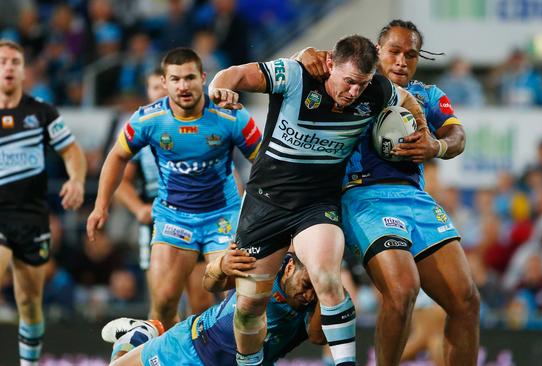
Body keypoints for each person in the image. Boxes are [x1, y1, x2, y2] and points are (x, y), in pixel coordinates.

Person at [208, 34, 434, 366]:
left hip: (317, 205)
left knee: (328, 279)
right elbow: (234, 74)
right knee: (248, 307)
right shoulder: (296, 75)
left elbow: (409, 102)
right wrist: (219, 89)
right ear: (330, 65)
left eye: (363, 84)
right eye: (349, 82)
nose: (355, 92)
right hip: (266, 202)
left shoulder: (377, 91)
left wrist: (422, 130)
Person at [297, 20, 479, 366]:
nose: (401, 61)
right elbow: (305, 69)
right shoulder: (353, 85)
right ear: (377, 52)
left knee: (467, 300)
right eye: (394, 51)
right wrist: (303, 54)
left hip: (416, 200)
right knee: (403, 289)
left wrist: (436, 146)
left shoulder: (428, 95)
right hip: (363, 197)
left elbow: (458, 137)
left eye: (410, 55)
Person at [86, 48, 262, 329]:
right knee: (164, 304)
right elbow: (117, 157)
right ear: (165, 83)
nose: (183, 86)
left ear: (203, 78)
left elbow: (266, 164)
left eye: (190, 77)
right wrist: (100, 205)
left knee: (232, 297)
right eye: (176, 79)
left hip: (223, 216)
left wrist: (270, 210)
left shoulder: (231, 116)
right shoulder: (148, 119)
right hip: (174, 218)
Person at [0, 40, 87, 365]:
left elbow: (72, 151)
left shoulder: (41, 111)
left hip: (32, 218)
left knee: (29, 302)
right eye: (3, 61)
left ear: (24, 71)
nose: (9, 67)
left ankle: (29, 363)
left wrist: (77, 179)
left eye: (15, 62)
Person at [101, 247, 324, 366]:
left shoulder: (319, 303)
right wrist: (221, 266)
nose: (308, 295)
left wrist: (326, 289)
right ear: (290, 267)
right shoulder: (266, 261)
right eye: (306, 285)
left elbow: (317, 337)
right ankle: (139, 334)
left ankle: (139, 336)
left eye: (315, 291)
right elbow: (209, 283)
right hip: (190, 347)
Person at [113, 68, 215, 318]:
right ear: (148, 92)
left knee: (201, 302)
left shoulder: (202, 123)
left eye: (163, 87)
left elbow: (226, 171)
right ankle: (161, 356)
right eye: (153, 88)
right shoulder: (141, 129)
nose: (159, 93)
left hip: (198, 217)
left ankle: (197, 354)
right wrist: (138, 208)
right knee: (164, 302)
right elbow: (119, 181)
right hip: (158, 219)